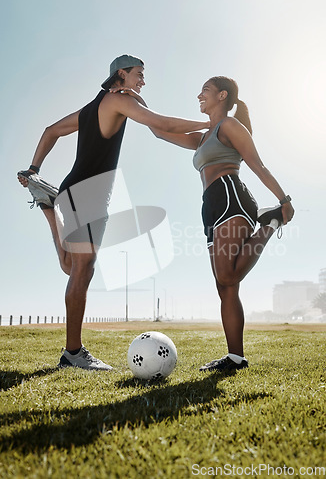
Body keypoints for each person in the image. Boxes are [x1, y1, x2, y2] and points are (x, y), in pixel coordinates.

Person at [17, 54, 209, 371]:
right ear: (121, 74)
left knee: (73, 268)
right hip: (89, 194)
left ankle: (49, 209)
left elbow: (51, 130)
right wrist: (208, 123)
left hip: (72, 191)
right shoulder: (119, 100)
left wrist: (34, 168)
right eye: (139, 74)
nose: (142, 80)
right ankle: (73, 353)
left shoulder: (94, 107)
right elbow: (161, 124)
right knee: (82, 270)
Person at [127, 75, 294, 372]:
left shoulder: (229, 126)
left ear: (222, 96)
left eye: (205, 90)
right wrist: (138, 102)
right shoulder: (203, 135)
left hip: (231, 196)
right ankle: (235, 358)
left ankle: (270, 222)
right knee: (224, 285)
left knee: (228, 278)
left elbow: (257, 164)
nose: (199, 95)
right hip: (211, 205)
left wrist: (284, 199)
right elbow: (159, 132)